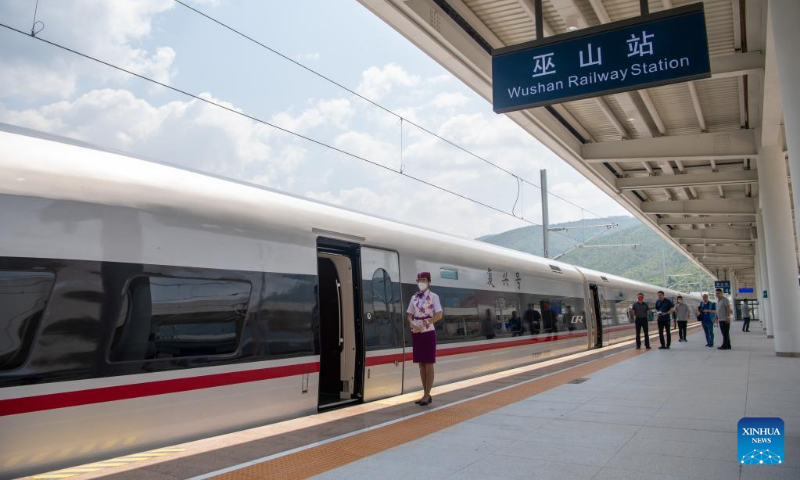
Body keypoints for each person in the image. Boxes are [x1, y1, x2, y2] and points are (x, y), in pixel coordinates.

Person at [406, 272, 443, 406]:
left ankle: (427, 394)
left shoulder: (434, 296)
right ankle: (425, 394)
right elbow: (409, 315)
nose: (421, 282)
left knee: (428, 363)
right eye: (419, 280)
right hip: (416, 331)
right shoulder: (414, 297)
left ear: (429, 282)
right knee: (421, 364)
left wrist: (427, 323)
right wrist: (412, 324)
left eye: (423, 280)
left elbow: (439, 314)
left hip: (428, 332)